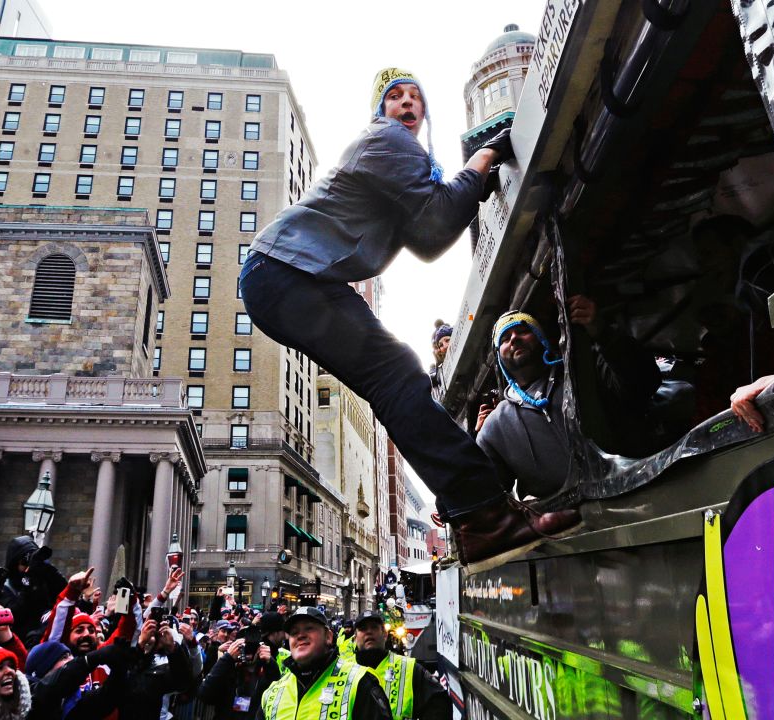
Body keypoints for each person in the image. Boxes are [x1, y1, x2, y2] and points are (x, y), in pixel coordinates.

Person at [238, 67, 579, 573]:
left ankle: (480, 515)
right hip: (287, 273)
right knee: (397, 378)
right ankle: (483, 517)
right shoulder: (389, 140)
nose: (406, 104)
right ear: (382, 111)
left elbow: (425, 239)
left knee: (395, 378)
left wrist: (471, 181)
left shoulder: (399, 159)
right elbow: (440, 222)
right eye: (394, 97)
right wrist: (485, 157)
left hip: (287, 278)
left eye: (415, 97)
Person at [476, 300, 661, 500]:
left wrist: (603, 333)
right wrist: (473, 445)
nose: (514, 339)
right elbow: (479, 492)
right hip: (571, 526)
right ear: (499, 359)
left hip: (642, 493)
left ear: (541, 338)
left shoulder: (584, 369)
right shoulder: (495, 427)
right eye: (504, 338)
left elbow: (645, 382)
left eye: (523, 330)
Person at [258, 607, 390, 720]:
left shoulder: (360, 682)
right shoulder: (273, 693)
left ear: (328, 636)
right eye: (294, 632)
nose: (300, 636)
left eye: (309, 629)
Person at [352, 612, 451, 720]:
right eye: (363, 629)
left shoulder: (409, 668)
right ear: (355, 638)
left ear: (385, 634)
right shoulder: (344, 671)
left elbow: (438, 705)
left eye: (374, 627)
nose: (369, 632)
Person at [429, 323, 453, 395]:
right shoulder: (439, 370)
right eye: (441, 345)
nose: (445, 346)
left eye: (447, 340)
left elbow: (471, 317)